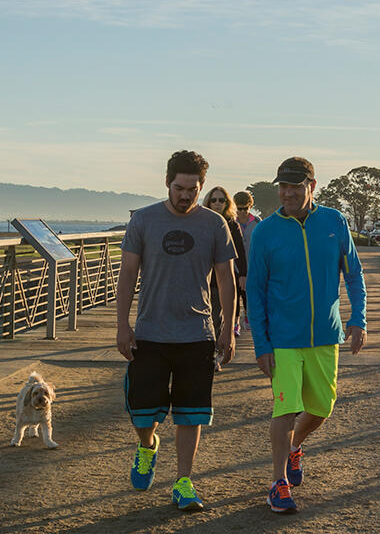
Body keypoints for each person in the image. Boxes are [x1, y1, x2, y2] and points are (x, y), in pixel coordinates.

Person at [115, 150, 237, 512]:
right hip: (150, 332)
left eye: (193, 190)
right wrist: (122, 325)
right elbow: (127, 275)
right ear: (167, 183)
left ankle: (184, 482)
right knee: (142, 412)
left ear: (201, 187)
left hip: (197, 333)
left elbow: (226, 279)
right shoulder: (144, 221)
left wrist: (229, 328)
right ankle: (148, 445)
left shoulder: (214, 224)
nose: (186, 196)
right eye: (180, 188)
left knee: (191, 413)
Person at [247, 156, 367, 514]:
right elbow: (254, 291)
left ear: (312, 187)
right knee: (285, 408)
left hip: (325, 336)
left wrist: (358, 319)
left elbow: (354, 276)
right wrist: (261, 344)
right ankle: (278, 483)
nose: (287, 193)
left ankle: (296, 444)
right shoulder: (266, 231)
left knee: (322, 407)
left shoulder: (334, 222)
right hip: (283, 339)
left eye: (295, 187)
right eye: (283, 186)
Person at [202, 186, 247, 341]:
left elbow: (240, 251)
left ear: (227, 203)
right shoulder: (200, 222)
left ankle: (215, 353)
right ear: (208, 202)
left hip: (223, 277)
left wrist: (243, 274)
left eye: (221, 200)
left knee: (217, 317)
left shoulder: (232, 225)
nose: (217, 203)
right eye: (214, 200)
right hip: (201, 277)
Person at [233, 190, 260, 332]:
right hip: (235, 266)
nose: (242, 212)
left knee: (249, 295)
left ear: (250, 206)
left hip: (252, 266)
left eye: (245, 208)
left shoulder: (257, 222)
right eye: (239, 208)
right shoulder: (231, 222)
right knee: (235, 296)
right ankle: (235, 322)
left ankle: (248, 318)